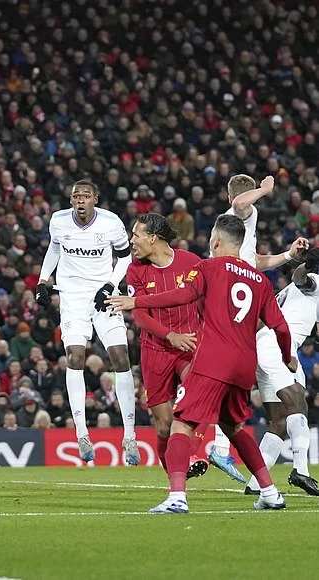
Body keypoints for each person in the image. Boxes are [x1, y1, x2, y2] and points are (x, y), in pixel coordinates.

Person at [107, 214, 292, 513]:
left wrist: (137, 302)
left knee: (181, 424)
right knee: (234, 426)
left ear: (216, 242)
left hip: (212, 359)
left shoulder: (207, 266)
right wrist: (287, 357)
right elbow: (280, 327)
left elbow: (184, 294)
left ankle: (177, 497)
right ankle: (270, 492)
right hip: (244, 365)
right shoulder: (260, 281)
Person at [201, 174, 309, 482]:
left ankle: (223, 450)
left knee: (238, 374)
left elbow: (256, 261)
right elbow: (240, 203)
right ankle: (216, 447)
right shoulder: (241, 214)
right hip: (233, 299)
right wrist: (265, 189)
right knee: (231, 371)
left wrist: (287, 256)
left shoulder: (234, 232)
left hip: (230, 297)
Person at [36, 179, 139, 465]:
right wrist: (43, 280)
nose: (80, 200)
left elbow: (125, 258)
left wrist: (110, 285)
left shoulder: (111, 222)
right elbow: (54, 249)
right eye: (76, 196)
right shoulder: (58, 221)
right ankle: (82, 434)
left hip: (103, 294)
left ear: (96, 199)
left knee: (121, 357)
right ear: (71, 200)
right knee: (75, 356)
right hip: (72, 296)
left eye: (85, 195)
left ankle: (130, 436)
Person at [124, 214, 204, 476]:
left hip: (190, 346)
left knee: (197, 396)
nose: (132, 241)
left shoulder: (191, 262)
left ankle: (190, 454)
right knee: (164, 425)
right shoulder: (135, 269)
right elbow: (139, 315)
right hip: (155, 350)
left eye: (136, 235)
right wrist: (170, 335)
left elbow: (205, 299)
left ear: (152, 238)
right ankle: (175, 480)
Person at [246, 248, 319, 496]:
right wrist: (306, 266)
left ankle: (256, 483)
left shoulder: (288, 292)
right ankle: (301, 470)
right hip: (277, 346)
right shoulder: (313, 281)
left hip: (264, 345)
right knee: (298, 401)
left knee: (278, 421)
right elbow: (301, 278)